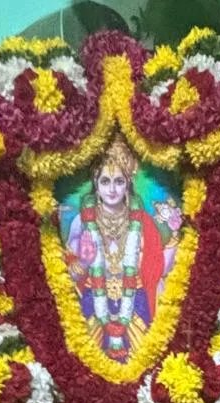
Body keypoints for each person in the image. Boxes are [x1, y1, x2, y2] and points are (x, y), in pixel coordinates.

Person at [64, 136, 178, 361]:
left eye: (119, 181)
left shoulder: (143, 222)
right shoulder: (81, 222)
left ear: (128, 185)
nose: (112, 189)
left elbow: (158, 270)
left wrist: (175, 235)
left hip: (136, 303)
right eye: (105, 181)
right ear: (96, 185)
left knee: (143, 362)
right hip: (92, 304)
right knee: (88, 362)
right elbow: (66, 278)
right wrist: (85, 262)